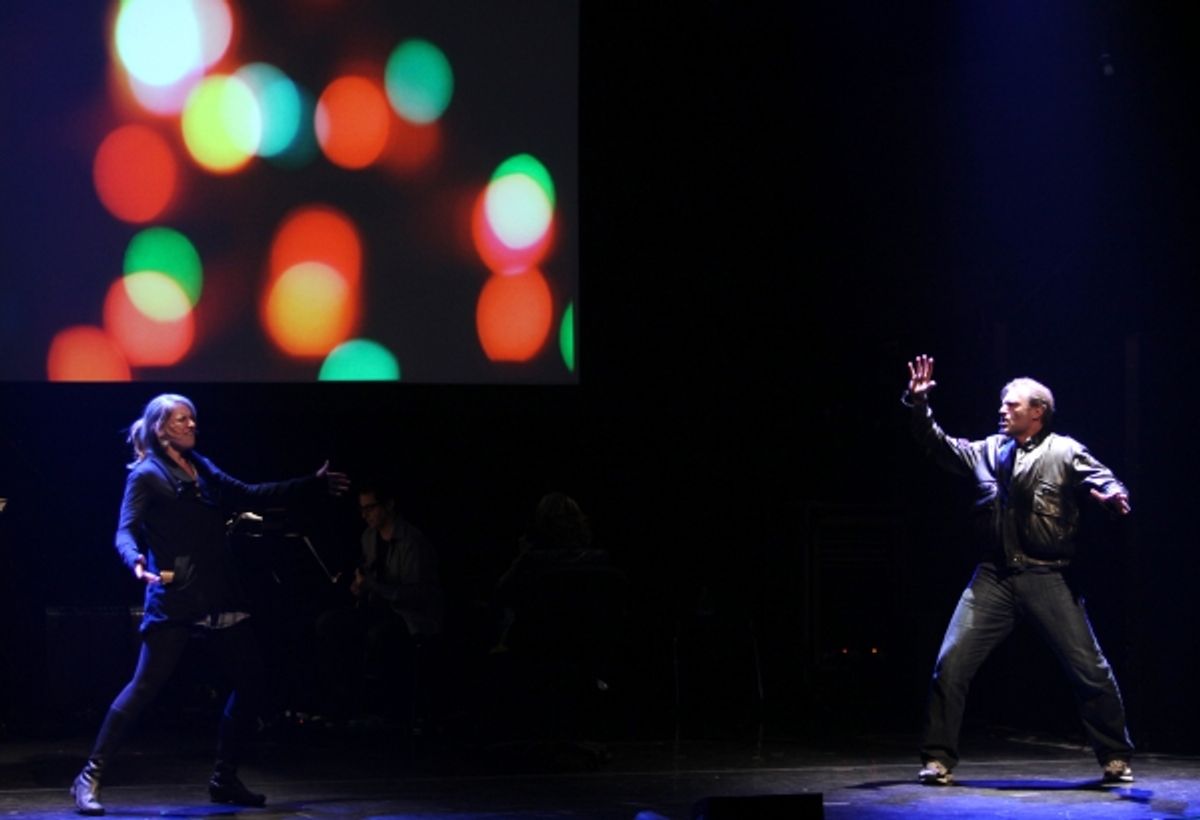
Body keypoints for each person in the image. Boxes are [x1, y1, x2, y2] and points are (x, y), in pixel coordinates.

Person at [70, 394, 349, 816]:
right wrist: (135, 561)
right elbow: (124, 531)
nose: (191, 425)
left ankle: (224, 778)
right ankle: (89, 775)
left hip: (218, 591)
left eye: (193, 419)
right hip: (177, 594)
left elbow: (250, 494)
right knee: (145, 686)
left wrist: (311, 483)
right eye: (181, 420)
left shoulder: (201, 466)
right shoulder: (146, 475)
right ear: (160, 428)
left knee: (252, 680)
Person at [902, 355, 1135, 787]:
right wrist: (919, 404)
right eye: (1003, 404)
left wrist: (1111, 495)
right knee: (950, 664)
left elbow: (1102, 479)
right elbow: (937, 445)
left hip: (1047, 576)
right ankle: (937, 758)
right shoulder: (987, 451)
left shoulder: (1064, 451)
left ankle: (1115, 755)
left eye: (1012, 405)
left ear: (1037, 412)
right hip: (993, 578)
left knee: (1089, 668)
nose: (1003, 410)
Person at [312, 480, 443, 722]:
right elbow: (370, 575)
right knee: (328, 624)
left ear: (388, 505)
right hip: (378, 610)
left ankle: (381, 710)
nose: (365, 515)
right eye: (362, 509)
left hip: (409, 617)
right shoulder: (369, 537)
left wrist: (374, 587)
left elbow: (416, 595)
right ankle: (342, 704)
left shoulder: (412, 542)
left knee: (378, 635)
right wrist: (359, 587)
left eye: (370, 508)